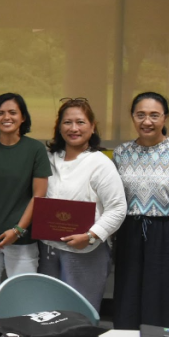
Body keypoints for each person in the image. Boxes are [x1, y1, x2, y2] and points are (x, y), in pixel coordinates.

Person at [0, 93, 51, 325]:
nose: (6, 117)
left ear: (23, 117)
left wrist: (17, 230)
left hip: (21, 239)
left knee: (23, 301)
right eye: (0, 112)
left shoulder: (35, 149)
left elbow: (39, 195)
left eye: (13, 112)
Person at [39, 98, 126, 312]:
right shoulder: (48, 159)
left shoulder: (100, 163)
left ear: (92, 126)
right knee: (47, 313)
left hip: (86, 252)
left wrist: (90, 236)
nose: (74, 128)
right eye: (67, 122)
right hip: (48, 250)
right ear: (59, 127)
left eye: (80, 122)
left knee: (79, 316)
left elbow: (118, 208)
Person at [113, 92, 169, 329]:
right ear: (132, 117)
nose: (147, 121)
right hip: (130, 231)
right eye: (140, 115)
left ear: (165, 118)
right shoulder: (121, 153)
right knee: (128, 290)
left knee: (166, 292)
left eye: (154, 115)